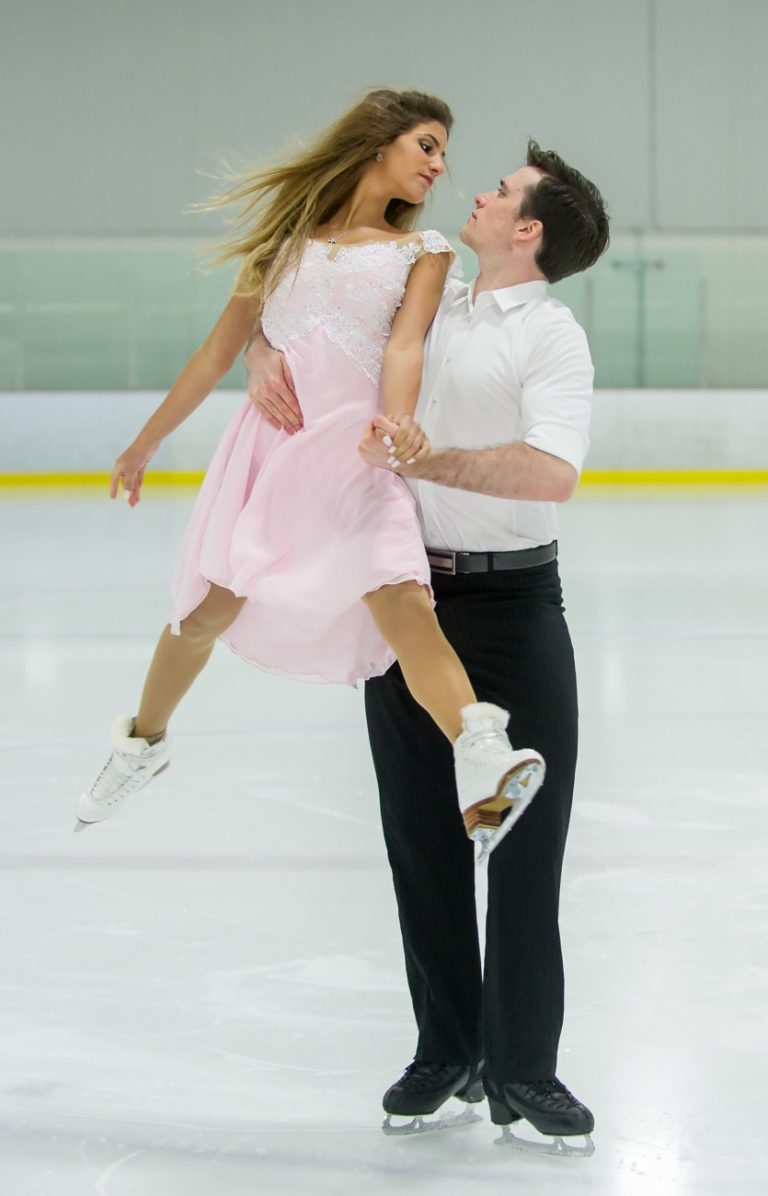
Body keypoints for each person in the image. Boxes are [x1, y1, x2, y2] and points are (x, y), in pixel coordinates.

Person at [247, 139, 609, 1153]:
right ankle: (444, 1051)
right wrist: (261, 352)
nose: (477, 194)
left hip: (516, 610)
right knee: (423, 843)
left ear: (527, 229)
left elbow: (550, 474)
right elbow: (301, 315)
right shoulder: (423, 286)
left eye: (499, 192)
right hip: (405, 600)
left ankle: (523, 1070)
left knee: (525, 848)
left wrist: (433, 455)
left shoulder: (552, 337)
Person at [75, 89, 544, 853]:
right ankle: (142, 745)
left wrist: (391, 425)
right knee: (203, 615)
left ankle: (482, 756)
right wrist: (146, 440)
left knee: (402, 602)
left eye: (442, 151)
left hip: (360, 453)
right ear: (378, 143)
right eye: (427, 145)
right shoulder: (282, 244)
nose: (440, 165)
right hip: (273, 456)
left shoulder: (423, 252)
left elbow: (404, 346)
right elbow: (218, 352)